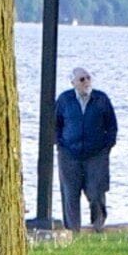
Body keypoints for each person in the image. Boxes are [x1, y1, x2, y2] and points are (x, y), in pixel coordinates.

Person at [51, 67, 118, 230]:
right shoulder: (65, 100)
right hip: (69, 154)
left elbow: (111, 126)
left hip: (96, 154)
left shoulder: (101, 99)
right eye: (82, 79)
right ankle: (73, 231)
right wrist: (60, 144)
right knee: (70, 194)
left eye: (88, 78)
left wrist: (106, 148)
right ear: (73, 82)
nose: (86, 82)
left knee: (96, 192)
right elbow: (55, 124)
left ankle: (98, 225)